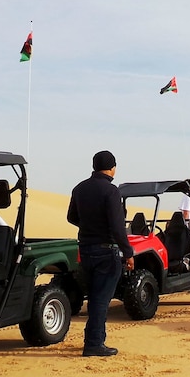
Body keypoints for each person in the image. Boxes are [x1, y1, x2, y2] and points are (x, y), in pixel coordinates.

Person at [67, 150, 135, 357]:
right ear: (113, 167)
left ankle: (93, 339)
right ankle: (94, 344)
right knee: (100, 300)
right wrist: (128, 252)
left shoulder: (79, 188)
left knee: (95, 297)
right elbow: (117, 226)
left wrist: (89, 226)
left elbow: (71, 217)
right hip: (107, 251)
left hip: (86, 249)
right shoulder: (111, 191)